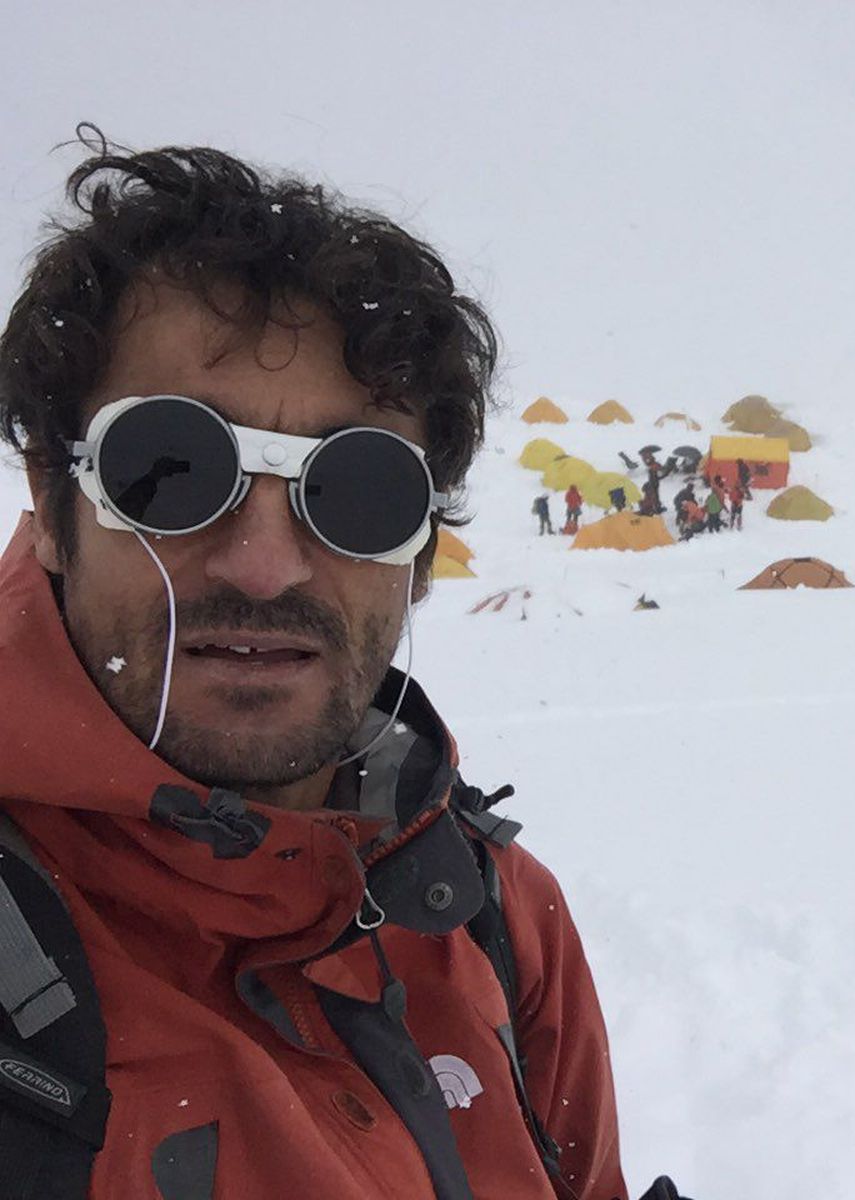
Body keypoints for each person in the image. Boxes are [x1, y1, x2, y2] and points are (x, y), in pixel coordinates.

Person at [0, 134, 676, 1200]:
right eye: (169, 470)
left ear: (422, 554)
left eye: (357, 491)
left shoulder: (493, 919)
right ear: (52, 503)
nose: (265, 568)